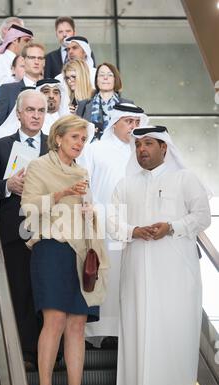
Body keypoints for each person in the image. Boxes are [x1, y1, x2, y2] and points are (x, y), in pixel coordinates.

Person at [108, 126, 211, 385]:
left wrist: (172, 227)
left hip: (177, 273)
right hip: (137, 273)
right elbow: (112, 223)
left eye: (149, 144)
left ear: (164, 148)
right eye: (138, 144)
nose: (142, 149)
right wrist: (134, 230)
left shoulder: (185, 179)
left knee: (177, 330)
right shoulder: (124, 184)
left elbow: (202, 216)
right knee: (137, 329)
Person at [21, 115, 108, 385]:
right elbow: (28, 208)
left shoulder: (83, 171)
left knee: (77, 325)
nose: (79, 144)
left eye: (83, 140)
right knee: (55, 320)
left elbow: (86, 216)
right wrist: (62, 194)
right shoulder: (38, 167)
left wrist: (89, 212)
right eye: (74, 138)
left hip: (81, 253)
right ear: (58, 138)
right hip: (51, 249)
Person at [0, 90, 49, 370]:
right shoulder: (1, 146)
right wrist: (9, 185)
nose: (35, 116)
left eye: (40, 111)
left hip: (49, 230)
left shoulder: (54, 146)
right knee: (20, 291)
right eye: (30, 110)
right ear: (18, 113)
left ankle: (50, 353)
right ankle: (27, 353)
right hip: (15, 231)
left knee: (47, 292)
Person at [81, 103, 148, 348]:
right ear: (115, 122)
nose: (133, 127)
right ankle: (92, 333)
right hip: (102, 225)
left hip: (133, 228)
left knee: (127, 279)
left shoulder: (142, 152)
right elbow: (84, 184)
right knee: (101, 277)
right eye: (128, 121)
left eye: (137, 122)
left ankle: (117, 334)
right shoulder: (96, 149)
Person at [0, 42, 45, 145]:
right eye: (32, 58)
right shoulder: (8, 90)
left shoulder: (51, 90)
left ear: (44, 62)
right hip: (13, 150)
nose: (36, 62)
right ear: (24, 60)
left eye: (40, 58)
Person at [77, 62, 132, 140]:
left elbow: (131, 133)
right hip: (91, 150)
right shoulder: (83, 105)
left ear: (115, 79)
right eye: (101, 75)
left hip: (119, 149)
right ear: (96, 80)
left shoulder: (127, 105)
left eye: (110, 75)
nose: (105, 78)